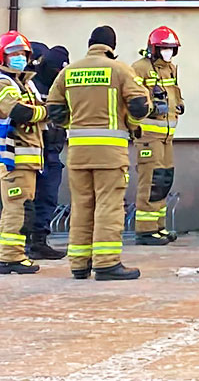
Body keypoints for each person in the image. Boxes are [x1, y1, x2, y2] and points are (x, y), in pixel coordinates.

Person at [47, 26, 151, 281]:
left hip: (78, 152)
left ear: (90, 43)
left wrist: (75, 124)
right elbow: (139, 105)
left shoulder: (68, 72)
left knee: (82, 206)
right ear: (111, 47)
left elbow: (54, 110)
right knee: (108, 206)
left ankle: (79, 264)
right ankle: (106, 263)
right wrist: (134, 118)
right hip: (109, 153)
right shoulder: (119, 70)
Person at [0, 31, 47, 274]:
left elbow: (35, 106)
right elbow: (19, 111)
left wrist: (39, 109)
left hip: (25, 158)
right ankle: (12, 258)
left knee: (14, 207)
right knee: (19, 208)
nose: (20, 57)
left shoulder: (24, 82)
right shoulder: (1, 82)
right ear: (3, 56)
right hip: (13, 157)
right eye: (14, 53)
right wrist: (44, 112)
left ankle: (2, 253)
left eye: (23, 53)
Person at [131, 26, 184, 246]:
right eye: (163, 48)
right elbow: (132, 98)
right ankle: (145, 230)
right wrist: (152, 107)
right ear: (153, 48)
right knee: (150, 182)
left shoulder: (170, 68)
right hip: (148, 136)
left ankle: (158, 226)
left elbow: (174, 92)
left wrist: (179, 104)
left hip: (167, 136)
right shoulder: (139, 69)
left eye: (171, 48)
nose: (167, 52)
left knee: (164, 180)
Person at [27, 43, 70, 260]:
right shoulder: (31, 85)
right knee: (29, 199)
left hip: (52, 150)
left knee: (48, 197)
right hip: (32, 150)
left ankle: (39, 241)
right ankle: (26, 243)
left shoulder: (61, 85)